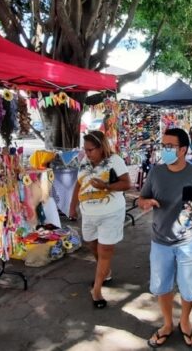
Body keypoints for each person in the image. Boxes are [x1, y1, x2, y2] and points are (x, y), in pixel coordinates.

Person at [138, 128, 192, 348]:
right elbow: (142, 197)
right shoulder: (156, 172)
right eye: (163, 145)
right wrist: (145, 203)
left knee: (189, 288)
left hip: (188, 242)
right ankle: (167, 324)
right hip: (160, 242)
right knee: (162, 287)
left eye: (169, 146)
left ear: (183, 149)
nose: (164, 150)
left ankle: (184, 322)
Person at [68, 130, 132, 309]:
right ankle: (105, 271)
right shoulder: (84, 161)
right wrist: (72, 206)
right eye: (85, 149)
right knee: (92, 245)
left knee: (105, 250)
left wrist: (105, 185)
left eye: (90, 150)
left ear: (101, 148)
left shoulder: (115, 160)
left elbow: (127, 184)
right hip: (88, 213)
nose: (87, 153)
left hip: (111, 213)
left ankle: (96, 290)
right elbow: (79, 183)